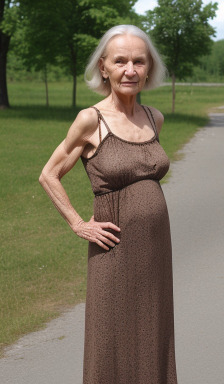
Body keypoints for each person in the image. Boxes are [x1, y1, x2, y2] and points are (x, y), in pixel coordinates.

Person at [39, 24, 178, 384]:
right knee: (112, 338)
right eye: (120, 61)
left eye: (138, 61)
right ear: (104, 67)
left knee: (154, 331)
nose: (129, 70)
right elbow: (49, 174)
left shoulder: (154, 118)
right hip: (114, 251)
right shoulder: (91, 120)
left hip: (156, 250)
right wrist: (78, 223)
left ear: (148, 69)